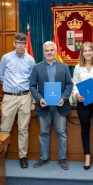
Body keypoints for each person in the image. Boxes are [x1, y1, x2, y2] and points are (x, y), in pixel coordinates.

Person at [29, 41, 73, 170]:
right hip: (43, 105)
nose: (49, 52)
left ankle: (62, 159)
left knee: (61, 133)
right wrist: (39, 99)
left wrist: (64, 98)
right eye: (47, 50)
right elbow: (32, 86)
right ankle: (43, 158)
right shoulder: (37, 67)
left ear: (55, 51)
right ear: (44, 52)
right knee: (43, 133)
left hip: (60, 105)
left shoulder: (64, 67)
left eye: (51, 50)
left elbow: (69, 85)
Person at [0, 33, 35, 168]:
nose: (20, 45)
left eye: (22, 43)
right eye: (17, 42)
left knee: (23, 128)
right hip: (9, 97)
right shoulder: (6, 58)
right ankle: (1, 155)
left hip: (25, 97)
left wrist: (31, 98)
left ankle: (23, 156)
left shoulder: (30, 60)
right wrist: (10, 87)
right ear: (14, 44)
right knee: (4, 128)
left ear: (25, 44)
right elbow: (0, 75)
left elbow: (33, 79)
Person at [72, 42, 93, 171]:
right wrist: (76, 94)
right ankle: (87, 156)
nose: (87, 53)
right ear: (82, 53)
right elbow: (74, 84)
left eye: (89, 51)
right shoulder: (77, 68)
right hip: (83, 104)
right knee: (85, 130)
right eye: (85, 51)